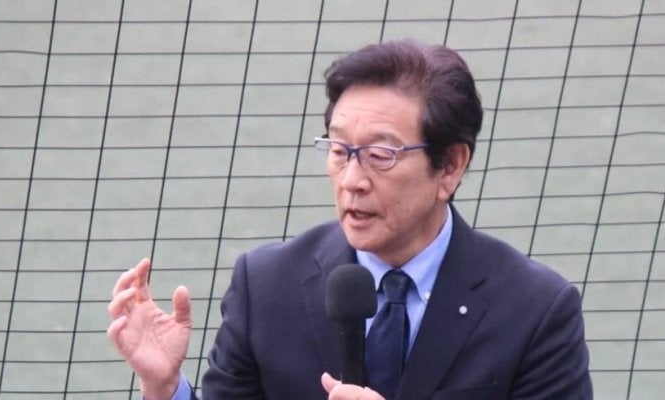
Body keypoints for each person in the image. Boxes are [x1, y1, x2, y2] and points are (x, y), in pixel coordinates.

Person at [108, 39, 592, 400]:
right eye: (340, 151)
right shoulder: (266, 286)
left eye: (380, 155)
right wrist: (165, 388)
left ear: (450, 166)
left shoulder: (534, 310)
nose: (352, 180)